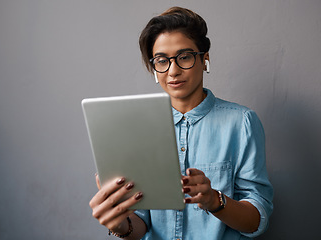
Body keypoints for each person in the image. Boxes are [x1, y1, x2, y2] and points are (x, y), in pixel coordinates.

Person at [89, 6, 273, 240]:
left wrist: (214, 200)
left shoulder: (241, 122)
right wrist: (119, 224)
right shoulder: (139, 131)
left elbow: (257, 220)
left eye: (184, 57)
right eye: (162, 60)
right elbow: (141, 223)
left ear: (204, 58)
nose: (173, 71)